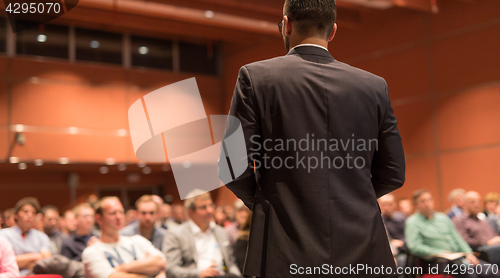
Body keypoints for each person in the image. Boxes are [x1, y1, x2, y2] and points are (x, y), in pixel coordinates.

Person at [218, 0, 405, 277]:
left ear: (286, 25)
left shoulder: (255, 77)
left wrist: (270, 201)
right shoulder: (374, 86)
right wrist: (349, 197)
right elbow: (393, 172)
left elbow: (232, 167)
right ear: (332, 31)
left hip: (284, 245)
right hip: (363, 246)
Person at [405, 189, 496, 278]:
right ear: (416, 204)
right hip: (436, 262)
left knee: (491, 270)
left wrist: (469, 253)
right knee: (470, 274)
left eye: (430, 200)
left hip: (457, 257)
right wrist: (438, 252)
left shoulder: (442, 218)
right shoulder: (412, 222)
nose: (427, 203)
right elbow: (414, 247)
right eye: (423, 201)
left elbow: (458, 238)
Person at [163, 190, 241, 278]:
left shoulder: (221, 232)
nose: (210, 210)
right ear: (190, 212)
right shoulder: (176, 234)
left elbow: (231, 264)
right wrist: (199, 274)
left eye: (211, 205)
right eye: (203, 207)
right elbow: (171, 269)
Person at [82, 196, 166, 278]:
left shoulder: (138, 240)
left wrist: (121, 268)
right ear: (99, 218)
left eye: (121, 212)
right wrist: (146, 269)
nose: (118, 217)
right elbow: (111, 276)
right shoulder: (92, 252)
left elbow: (161, 262)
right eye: (113, 213)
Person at [0, 197, 52, 276]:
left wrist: (19, 261)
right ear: (16, 215)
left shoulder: (42, 236)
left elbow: (47, 260)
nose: (29, 215)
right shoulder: (3, 235)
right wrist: (33, 256)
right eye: (26, 211)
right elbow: (4, 261)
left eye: (33, 213)